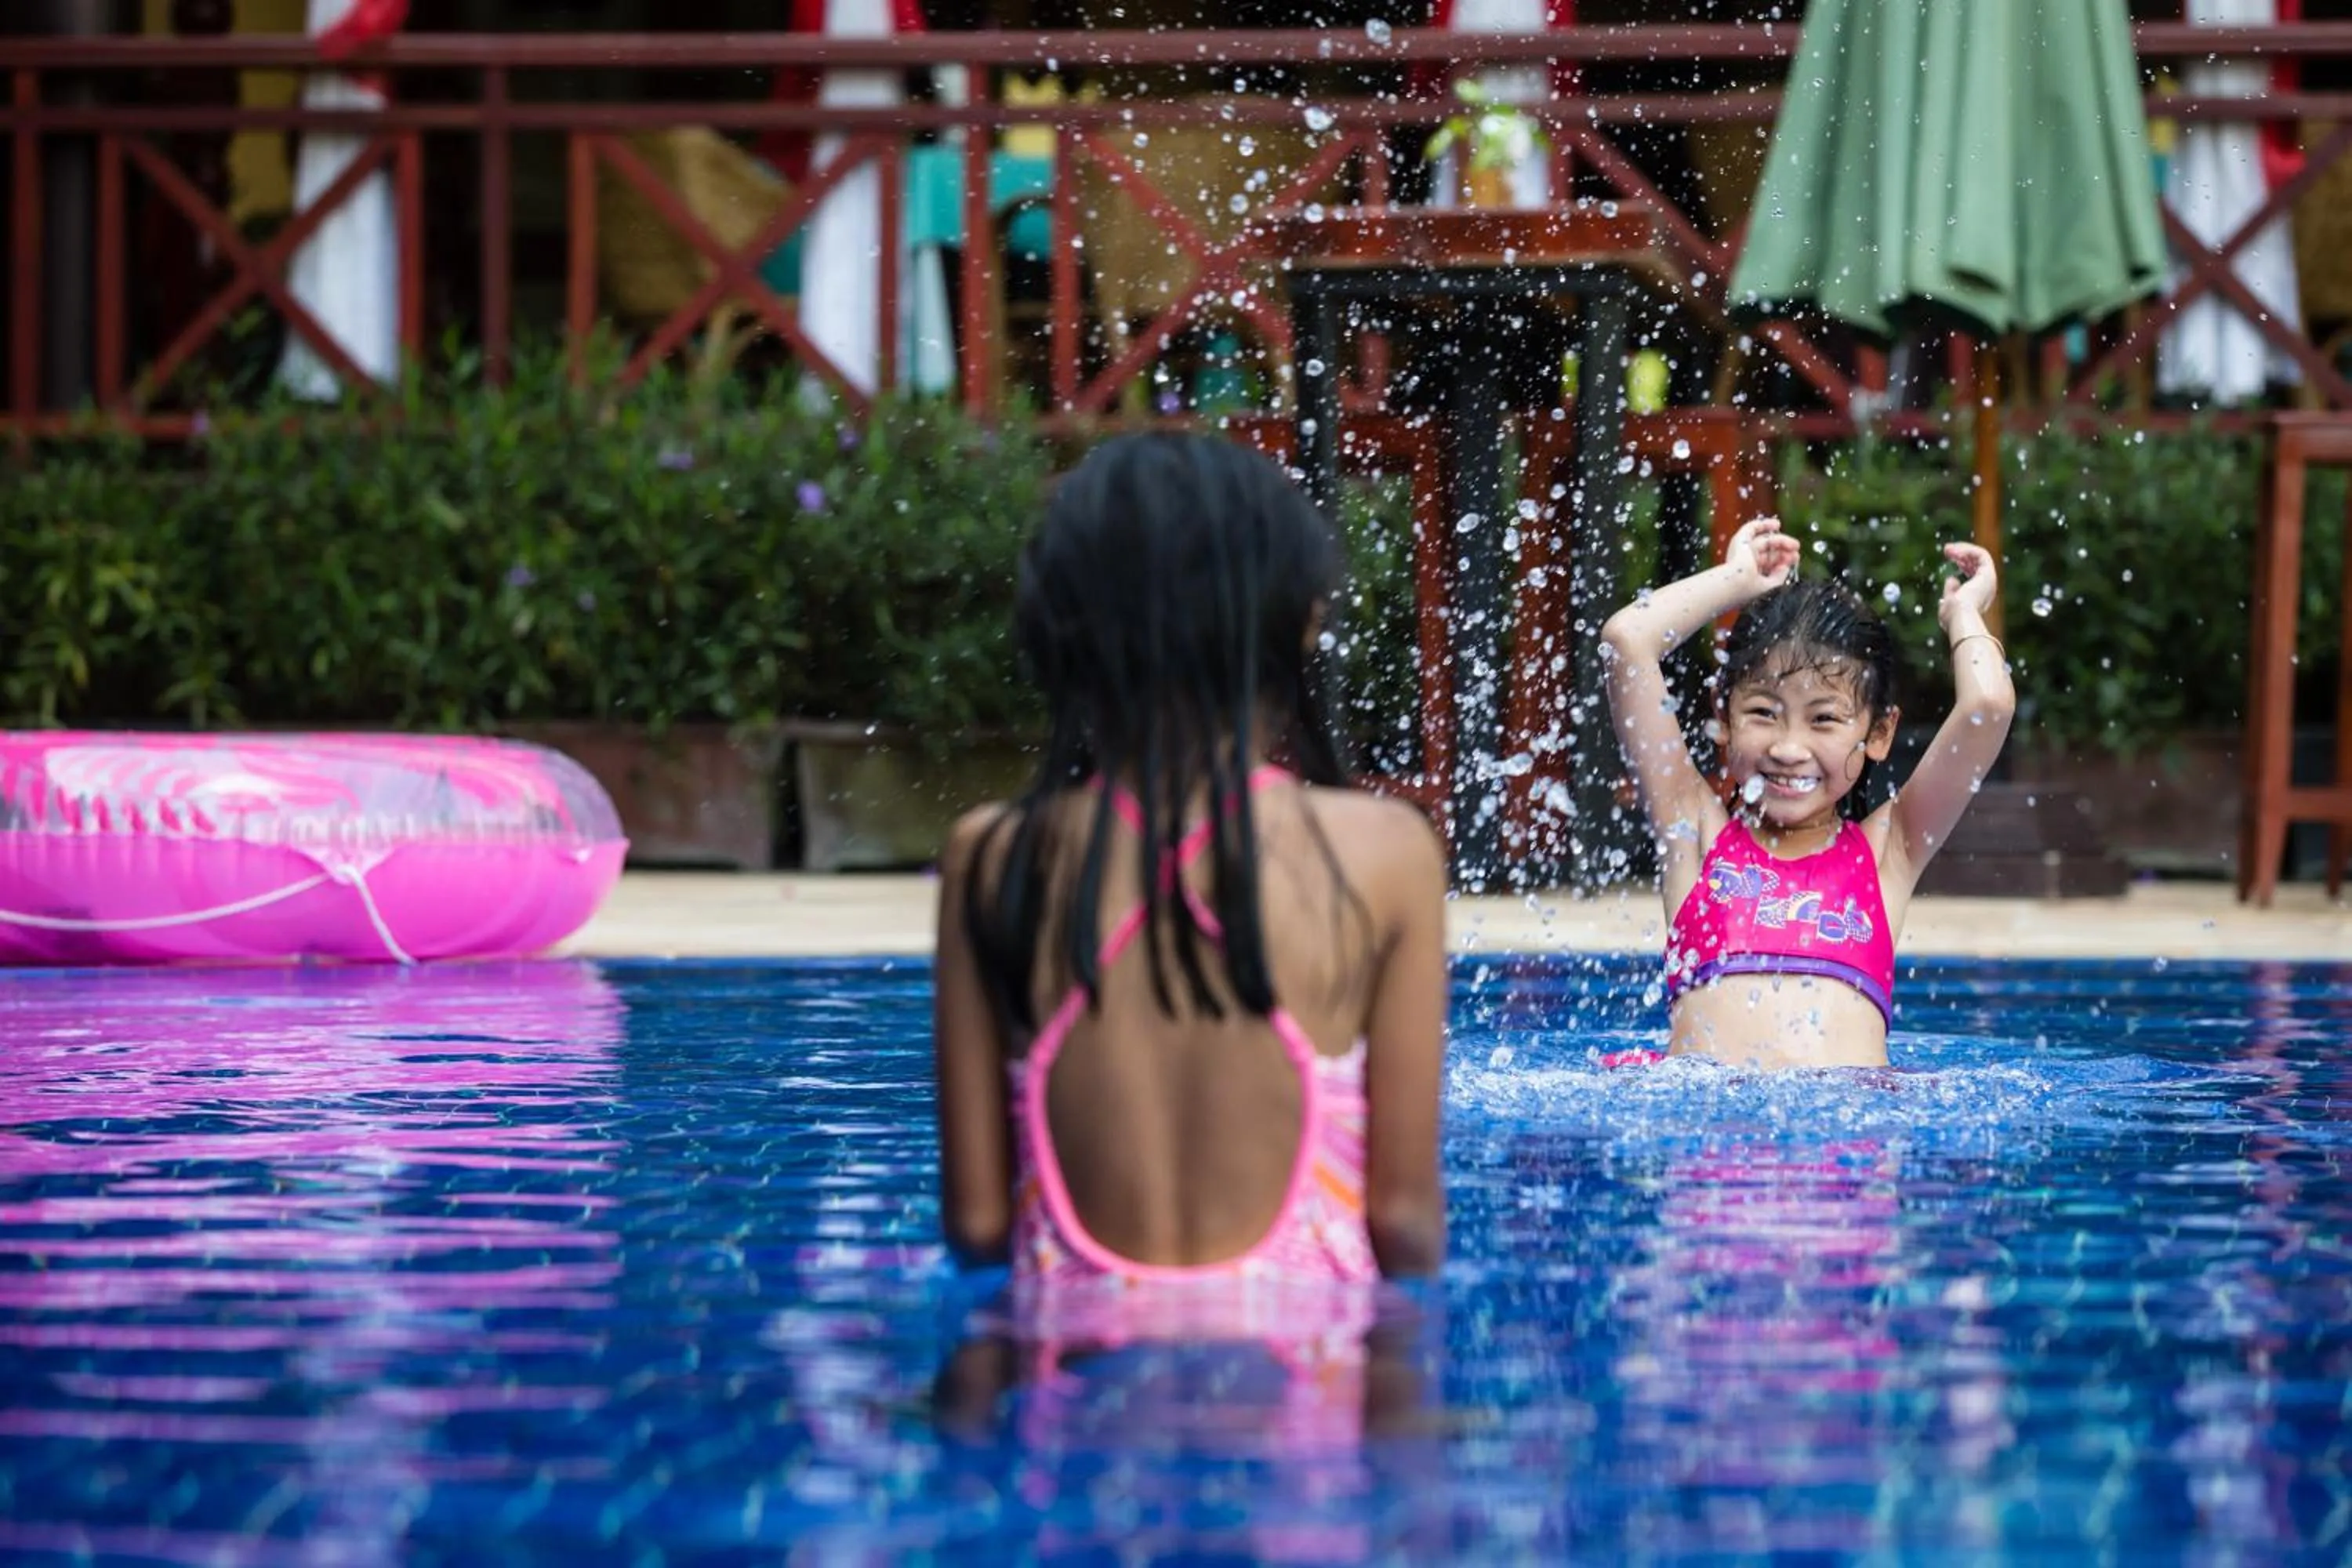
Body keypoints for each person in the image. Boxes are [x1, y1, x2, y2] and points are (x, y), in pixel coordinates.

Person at [932, 432, 1450, 1320]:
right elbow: (1403, 1223)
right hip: (1305, 1410)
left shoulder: (992, 854)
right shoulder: (1383, 853)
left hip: (1076, 1414)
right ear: (1300, 622)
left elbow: (979, 1224)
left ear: (1065, 632)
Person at [1600, 517, 2015, 1069]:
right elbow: (1627, 642)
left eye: (1823, 719)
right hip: (1709, 1138)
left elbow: (1987, 706)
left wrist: (1964, 614)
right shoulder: (1695, 832)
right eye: (1764, 714)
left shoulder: (1890, 849)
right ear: (1721, 717)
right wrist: (1735, 580)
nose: (1789, 748)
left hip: (1850, 1146)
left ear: (1880, 733)